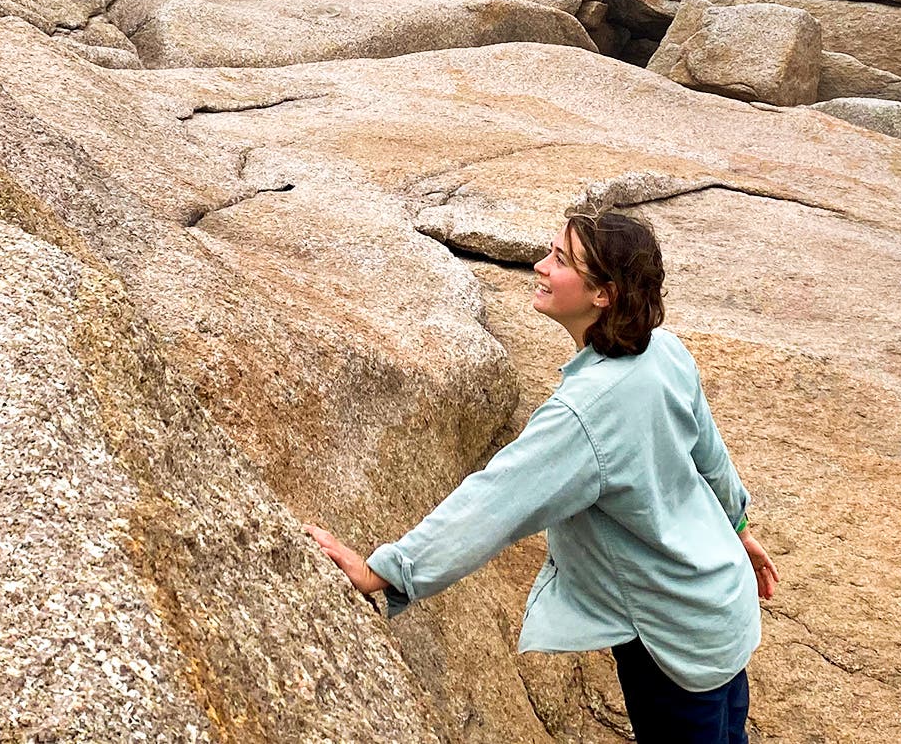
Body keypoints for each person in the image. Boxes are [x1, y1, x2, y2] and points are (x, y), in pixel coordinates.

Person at [306, 205, 777, 744]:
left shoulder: (583, 413)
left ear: (604, 295)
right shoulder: (665, 351)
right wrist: (739, 530)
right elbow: (710, 456)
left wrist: (385, 572)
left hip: (673, 640)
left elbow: (494, 502)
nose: (538, 266)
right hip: (722, 607)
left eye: (559, 259)